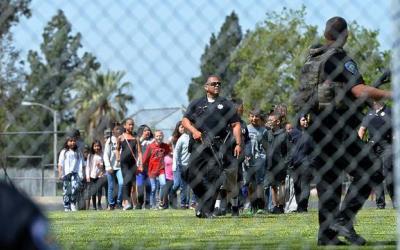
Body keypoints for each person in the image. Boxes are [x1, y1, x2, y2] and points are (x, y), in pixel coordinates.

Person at [295, 16, 391, 245]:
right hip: (338, 127)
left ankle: (326, 236)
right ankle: (343, 219)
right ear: (344, 35)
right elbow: (358, 90)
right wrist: (389, 95)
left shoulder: (313, 59)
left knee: (329, 180)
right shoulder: (339, 58)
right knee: (371, 169)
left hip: (317, 128)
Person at [181, 75, 242, 218]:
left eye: (219, 84)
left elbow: (236, 124)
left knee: (215, 178)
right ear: (206, 87)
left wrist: (238, 143)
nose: (217, 86)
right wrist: (195, 131)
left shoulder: (226, 104)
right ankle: (202, 202)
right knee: (190, 174)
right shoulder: (197, 103)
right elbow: (185, 120)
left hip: (217, 145)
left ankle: (207, 210)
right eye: (214, 84)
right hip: (199, 144)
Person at [358, 101, 394, 209]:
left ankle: (396, 203)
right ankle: (380, 205)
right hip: (373, 147)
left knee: (388, 175)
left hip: (387, 146)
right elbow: (362, 130)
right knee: (376, 176)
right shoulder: (369, 113)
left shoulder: (390, 111)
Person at [265, 112, 290, 214]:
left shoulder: (284, 134)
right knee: (273, 186)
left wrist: (285, 162)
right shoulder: (268, 133)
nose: (269, 122)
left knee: (281, 184)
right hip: (270, 163)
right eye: (268, 120)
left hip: (281, 163)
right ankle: (275, 206)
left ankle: (281, 205)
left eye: (271, 120)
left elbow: (289, 150)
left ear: (278, 122)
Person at [243, 108, 267, 214]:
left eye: (256, 116)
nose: (254, 118)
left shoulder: (264, 130)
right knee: (250, 183)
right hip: (248, 160)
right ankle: (252, 206)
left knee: (260, 183)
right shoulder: (246, 129)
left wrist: (264, 157)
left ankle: (261, 206)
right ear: (249, 117)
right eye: (252, 116)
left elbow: (266, 146)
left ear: (260, 117)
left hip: (260, 160)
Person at [288, 115, 313, 213]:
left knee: (305, 185)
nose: (305, 121)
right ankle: (299, 207)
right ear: (298, 121)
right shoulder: (293, 133)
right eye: (303, 120)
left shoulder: (312, 133)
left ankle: (303, 207)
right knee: (297, 185)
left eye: (307, 120)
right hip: (295, 163)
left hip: (307, 163)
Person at [116, 118, 143, 210]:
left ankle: (129, 203)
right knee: (126, 180)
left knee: (132, 182)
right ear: (125, 126)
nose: (131, 126)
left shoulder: (136, 138)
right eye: (129, 124)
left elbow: (139, 152)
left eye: (132, 125)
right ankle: (126, 202)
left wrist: (141, 164)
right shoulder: (121, 137)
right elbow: (117, 149)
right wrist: (117, 157)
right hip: (124, 162)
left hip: (133, 163)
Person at [142, 130, 172, 209]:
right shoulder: (150, 146)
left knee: (163, 184)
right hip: (152, 170)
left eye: (160, 136)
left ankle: (160, 201)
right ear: (154, 137)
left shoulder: (165, 146)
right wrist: (141, 166)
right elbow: (145, 158)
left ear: (162, 137)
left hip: (161, 169)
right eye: (157, 136)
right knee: (154, 188)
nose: (159, 137)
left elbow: (169, 152)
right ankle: (153, 204)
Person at [58, 134, 84, 212]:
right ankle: (66, 205)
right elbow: (60, 164)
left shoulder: (78, 152)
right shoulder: (64, 152)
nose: (72, 143)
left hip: (75, 173)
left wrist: (81, 173)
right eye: (70, 141)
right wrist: (60, 173)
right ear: (67, 142)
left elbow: (81, 163)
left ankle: (73, 203)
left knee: (75, 188)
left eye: (74, 141)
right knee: (67, 190)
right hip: (66, 174)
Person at [104, 123, 124, 210]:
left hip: (119, 167)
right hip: (111, 168)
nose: (119, 130)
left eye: (120, 129)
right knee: (111, 186)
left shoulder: (123, 139)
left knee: (121, 183)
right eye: (117, 129)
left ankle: (119, 202)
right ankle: (111, 204)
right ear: (113, 131)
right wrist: (108, 166)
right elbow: (105, 155)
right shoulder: (110, 141)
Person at [172, 125, 192, 209]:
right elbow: (176, 152)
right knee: (183, 185)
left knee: (192, 185)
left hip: (193, 165)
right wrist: (176, 164)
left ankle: (192, 203)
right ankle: (183, 204)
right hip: (183, 165)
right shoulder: (182, 138)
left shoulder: (194, 136)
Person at [136, 124, 153, 209]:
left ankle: (147, 204)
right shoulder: (139, 140)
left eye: (148, 130)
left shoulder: (152, 141)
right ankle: (139, 203)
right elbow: (136, 147)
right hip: (140, 168)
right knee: (140, 186)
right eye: (145, 130)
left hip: (150, 168)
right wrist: (141, 138)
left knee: (149, 186)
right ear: (141, 132)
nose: (148, 132)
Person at [85, 140, 105, 210]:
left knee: (99, 190)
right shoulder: (90, 156)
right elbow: (88, 166)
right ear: (93, 147)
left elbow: (104, 164)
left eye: (98, 146)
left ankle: (99, 203)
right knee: (93, 191)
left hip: (100, 175)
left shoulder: (102, 154)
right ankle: (94, 205)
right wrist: (87, 176)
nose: (97, 148)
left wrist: (101, 165)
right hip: (92, 175)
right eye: (95, 146)